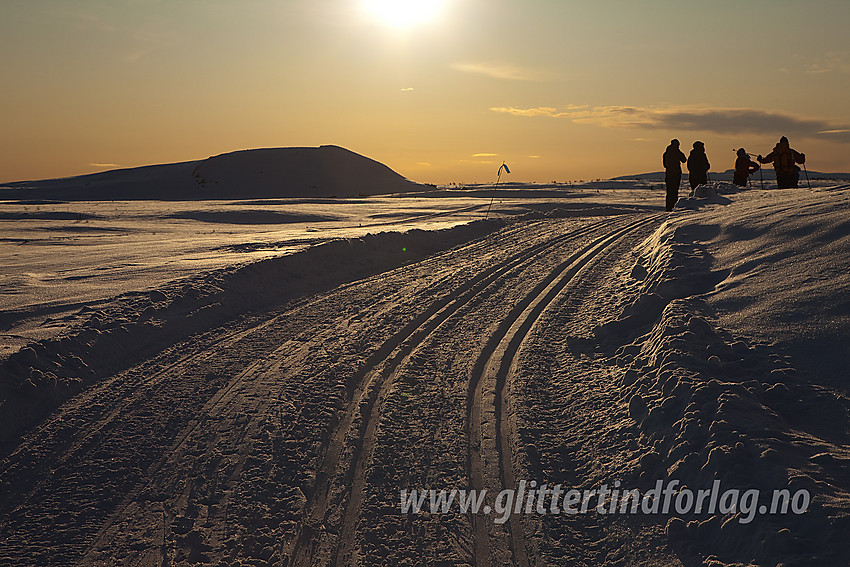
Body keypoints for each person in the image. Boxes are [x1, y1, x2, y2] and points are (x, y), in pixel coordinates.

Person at [662, 139, 686, 211]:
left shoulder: (666, 153)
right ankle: (673, 206)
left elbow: (665, 165)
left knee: (669, 191)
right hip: (676, 174)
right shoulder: (677, 152)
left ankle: (668, 207)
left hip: (669, 174)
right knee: (675, 191)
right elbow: (684, 160)